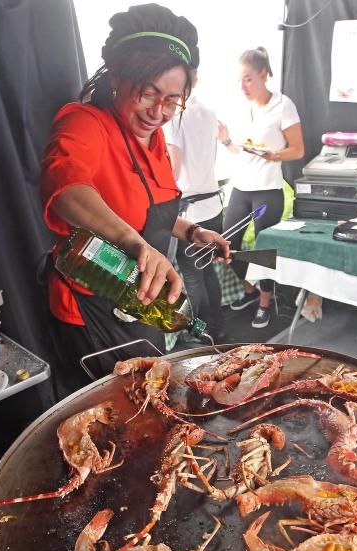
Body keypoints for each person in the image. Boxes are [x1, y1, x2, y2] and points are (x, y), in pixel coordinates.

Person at [39, 4, 230, 396]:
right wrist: (137, 245)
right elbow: (67, 191)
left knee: (152, 396)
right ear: (117, 77)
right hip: (94, 303)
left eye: (172, 101)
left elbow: (147, 211)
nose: (158, 112)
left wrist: (192, 230)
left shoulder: (154, 139)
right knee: (114, 414)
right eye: (148, 94)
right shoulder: (85, 123)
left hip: (143, 301)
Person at [219, 47, 304, 329]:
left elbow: (298, 149)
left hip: (268, 189)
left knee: (263, 249)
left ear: (264, 75)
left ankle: (265, 303)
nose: (242, 86)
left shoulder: (283, 105)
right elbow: (239, 151)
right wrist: (226, 140)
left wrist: (274, 155)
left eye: (248, 79)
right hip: (241, 187)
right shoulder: (242, 108)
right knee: (226, 244)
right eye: (239, 80)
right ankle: (250, 291)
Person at [163, 77, 226, 342]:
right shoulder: (209, 113)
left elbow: (173, 170)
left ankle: (199, 333)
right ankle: (218, 326)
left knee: (192, 275)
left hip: (191, 211)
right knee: (208, 270)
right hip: (213, 203)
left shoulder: (176, 116)